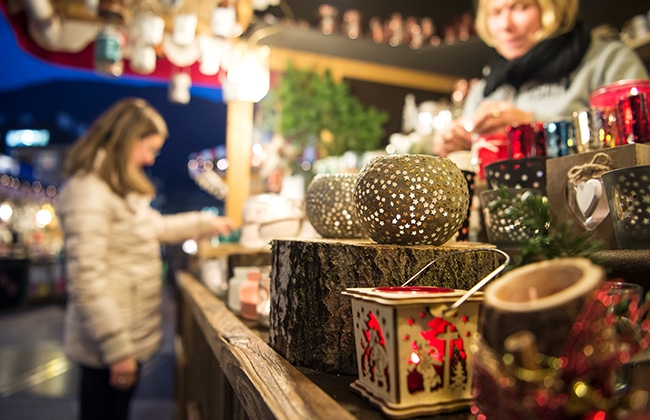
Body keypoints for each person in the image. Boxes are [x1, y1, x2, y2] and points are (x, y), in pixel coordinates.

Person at [55, 97, 235, 420]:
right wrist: (117, 349)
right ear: (127, 139)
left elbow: (158, 227)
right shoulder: (90, 191)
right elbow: (86, 280)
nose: (151, 159)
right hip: (109, 344)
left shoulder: (116, 189)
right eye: (150, 149)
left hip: (123, 335)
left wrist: (207, 223)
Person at [434, 0, 649, 157]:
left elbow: (638, 151)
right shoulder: (483, 90)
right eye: (496, 12)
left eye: (520, 7)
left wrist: (533, 128)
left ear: (552, 7)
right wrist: (453, 148)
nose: (505, 25)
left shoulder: (606, 61)